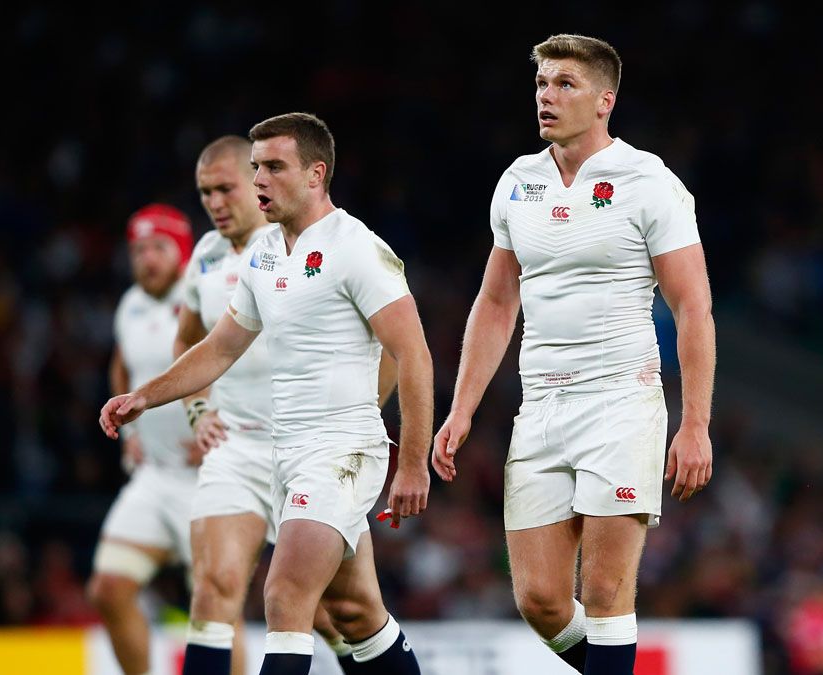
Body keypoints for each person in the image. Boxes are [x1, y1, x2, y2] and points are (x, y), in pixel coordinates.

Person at [99, 112, 432, 675]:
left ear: (314, 174)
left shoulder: (356, 248)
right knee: (354, 612)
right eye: (255, 168)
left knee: (283, 595)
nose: (259, 181)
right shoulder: (263, 256)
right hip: (284, 451)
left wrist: (413, 464)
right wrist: (145, 396)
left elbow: (414, 355)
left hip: (341, 451)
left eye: (274, 167)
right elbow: (219, 348)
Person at [432, 34, 716, 675]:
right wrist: (462, 409)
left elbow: (692, 306)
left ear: (605, 100)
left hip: (621, 397)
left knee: (607, 593)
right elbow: (497, 301)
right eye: (541, 84)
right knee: (539, 600)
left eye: (565, 84)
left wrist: (692, 423)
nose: (547, 96)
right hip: (541, 406)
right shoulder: (518, 182)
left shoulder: (649, 182)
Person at [177, 135, 389, 674]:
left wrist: (360, 418)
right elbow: (192, 340)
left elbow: (392, 346)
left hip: (315, 452)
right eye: (205, 193)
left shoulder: (311, 245)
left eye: (227, 188)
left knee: (345, 609)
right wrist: (199, 411)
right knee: (217, 585)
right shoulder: (203, 257)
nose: (216, 203)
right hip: (238, 445)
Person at [87, 204, 198, 675]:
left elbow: (242, 357)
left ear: (182, 251)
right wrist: (130, 429)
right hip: (154, 474)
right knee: (109, 589)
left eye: (159, 248)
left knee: (215, 609)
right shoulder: (131, 302)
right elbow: (121, 361)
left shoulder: (208, 295)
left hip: (209, 477)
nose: (147, 259)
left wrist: (224, 421)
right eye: (138, 250)